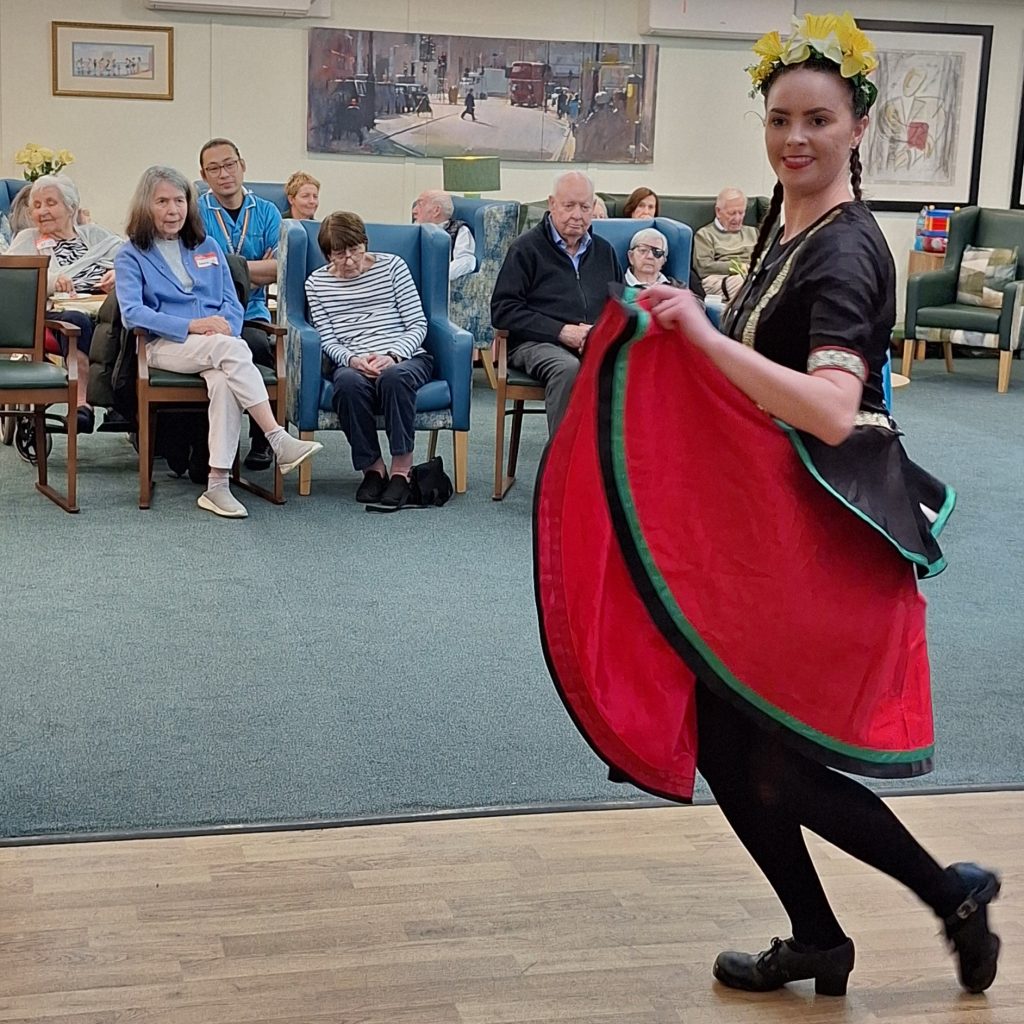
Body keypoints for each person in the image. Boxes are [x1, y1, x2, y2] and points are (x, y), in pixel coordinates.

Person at [533, 11, 1001, 999]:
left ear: (858, 126)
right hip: (769, 527)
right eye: (780, 118)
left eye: (817, 120)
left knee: (767, 759)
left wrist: (702, 337)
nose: (795, 138)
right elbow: (758, 373)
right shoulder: (797, 225)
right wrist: (680, 336)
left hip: (819, 535)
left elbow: (832, 409)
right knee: (729, 741)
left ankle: (940, 894)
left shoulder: (847, 250)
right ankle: (828, 933)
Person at [115, 165, 321, 518]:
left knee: (225, 379)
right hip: (164, 345)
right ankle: (276, 436)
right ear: (145, 206)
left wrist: (226, 326)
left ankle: (217, 483)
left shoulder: (206, 245)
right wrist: (194, 325)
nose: (172, 209)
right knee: (231, 350)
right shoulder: (131, 253)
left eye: (179, 200)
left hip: (215, 345)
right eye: (162, 201)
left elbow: (231, 300)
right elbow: (133, 314)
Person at [304, 211, 431, 510]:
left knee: (395, 377)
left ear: (365, 244)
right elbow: (328, 339)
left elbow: (418, 324)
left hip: (405, 356)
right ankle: (373, 469)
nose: (349, 260)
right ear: (326, 255)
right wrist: (352, 360)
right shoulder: (316, 284)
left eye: (355, 250)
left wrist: (393, 355)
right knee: (346, 383)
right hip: (354, 360)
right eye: (339, 254)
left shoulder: (393, 267)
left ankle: (402, 470)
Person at [491, 170, 622, 434]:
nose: (577, 215)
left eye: (585, 207)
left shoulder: (604, 251)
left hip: (592, 342)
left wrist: (598, 334)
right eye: (569, 205)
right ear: (552, 204)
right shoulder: (526, 249)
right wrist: (562, 332)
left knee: (636, 366)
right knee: (567, 368)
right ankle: (562, 465)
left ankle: (616, 465)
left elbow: (619, 305)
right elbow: (503, 311)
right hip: (535, 342)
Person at [6, 174, 121, 433]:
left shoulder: (96, 236)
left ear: (71, 207)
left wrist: (119, 274)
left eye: (50, 203)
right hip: (55, 320)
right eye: (36, 205)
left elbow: (134, 263)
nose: (42, 211)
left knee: (127, 315)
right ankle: (83, 404)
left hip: (105, 311)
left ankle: (124, 400)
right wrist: (50, 281)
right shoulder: (27, 239)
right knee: (77, 321)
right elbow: (12, 283)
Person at [198, 137, 282, 470]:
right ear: (204, 175)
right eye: (214, 168)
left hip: (252, 313)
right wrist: (252, 269)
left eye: (229, 164)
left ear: (242, 165)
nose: (224, 174)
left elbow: (279, 269)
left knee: (260, 348)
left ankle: (262, 440)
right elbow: (197, 272)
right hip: (206, 314)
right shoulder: (195, 211)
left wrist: (228, 267)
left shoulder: (267, 212)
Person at [693, 186, 759, 300]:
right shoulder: (705, 234)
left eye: (741, 212)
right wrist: (737, 267)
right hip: (719, 279)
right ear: (718, 211)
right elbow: (703, 267)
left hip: (750, 275)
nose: (737, 218)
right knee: (741, 283)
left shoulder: (754, 233)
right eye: (732, 213)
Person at [411, 190, 476, 280]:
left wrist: (435, 275)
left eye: (420, 205)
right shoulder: (412, 231)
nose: (414, 211)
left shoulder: (460, 231)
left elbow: (466, 262)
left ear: (436, 210)